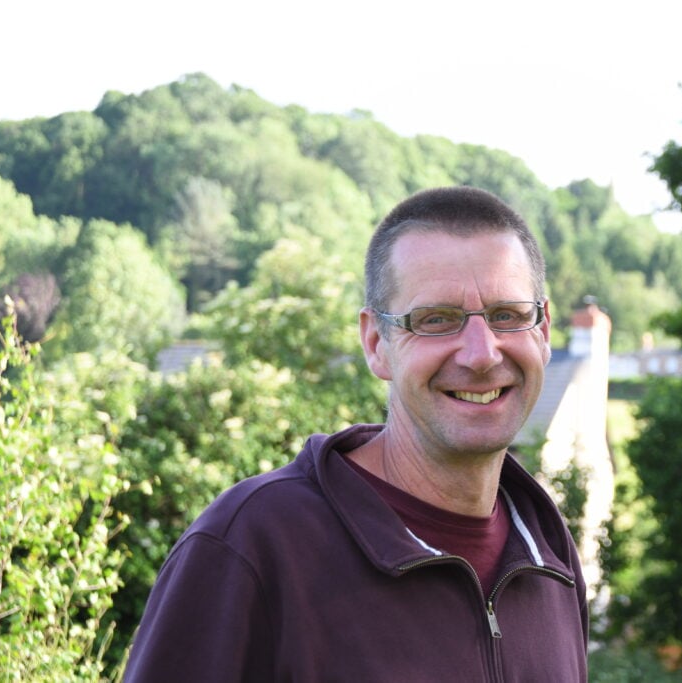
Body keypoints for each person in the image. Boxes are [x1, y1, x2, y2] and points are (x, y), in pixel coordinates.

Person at [123, 186, 589, 682]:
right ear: (375, 344)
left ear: (542, 332)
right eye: (436, 320)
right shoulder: (254, 542)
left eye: (507, 316)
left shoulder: (549, 553)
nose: (481, 354)